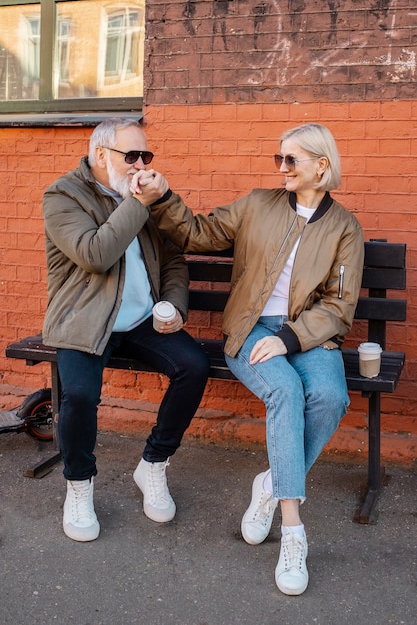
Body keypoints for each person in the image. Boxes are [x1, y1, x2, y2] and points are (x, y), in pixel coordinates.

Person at [130, 123, 364, 595]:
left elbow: (339, 307)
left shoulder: (345, 228)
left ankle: (271, 483)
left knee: (331, 398)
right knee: (286, 390)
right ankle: (293, 531)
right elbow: (197, 233)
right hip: (250, 327)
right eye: (278, 159)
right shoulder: (258, 204)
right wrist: (162, 196)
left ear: (322, 166)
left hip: (306, 335)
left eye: (291, 160)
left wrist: (292, 339)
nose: (281, 168)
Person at [42, 118, 210, 542]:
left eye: (145, 156)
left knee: (193, 366)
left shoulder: (146, 197)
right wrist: (139, 202)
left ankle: (153, 464)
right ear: (101, 155)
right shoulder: (63, 196)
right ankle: (79, 484)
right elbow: (95, 254)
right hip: (85, 318)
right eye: (130, 155)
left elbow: (173, 261)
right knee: (79, 394)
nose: (139, 165)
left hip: (140, 319)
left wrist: (172, 305)